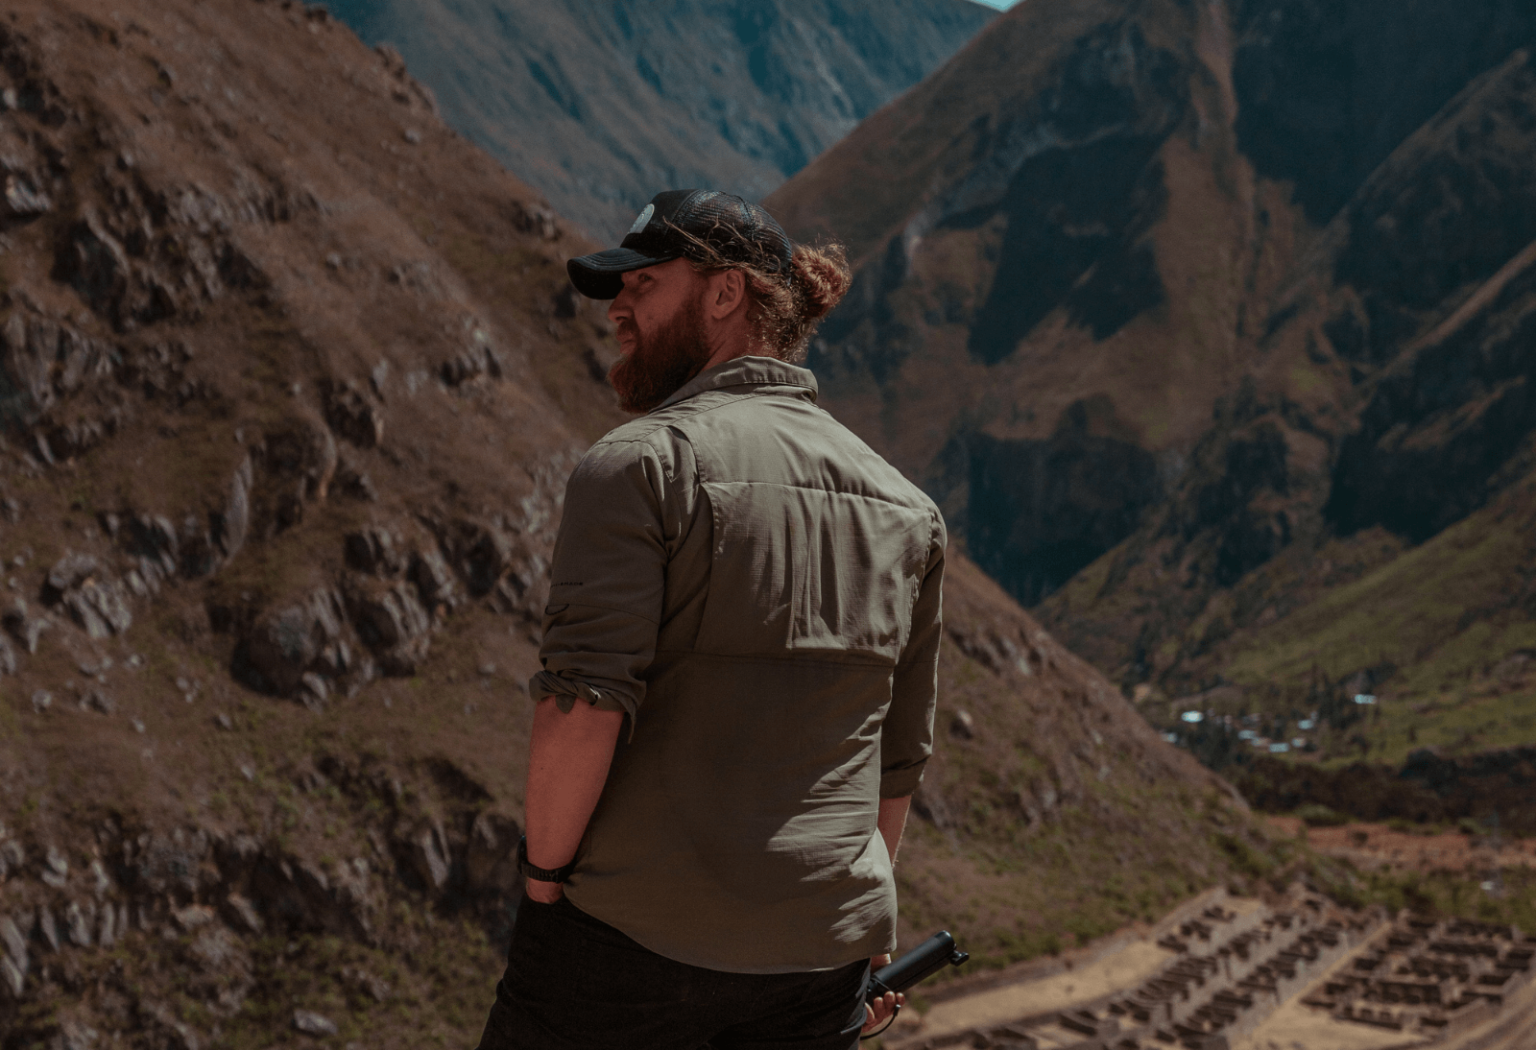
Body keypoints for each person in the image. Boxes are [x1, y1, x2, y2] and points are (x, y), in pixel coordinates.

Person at [475, 189, 946, 1050]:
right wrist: (846, 941)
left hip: (628, 948)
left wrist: (544, 886)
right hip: (817, 967)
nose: (618, 308)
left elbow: (584, 707)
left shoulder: (639, 467)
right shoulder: (906, 510)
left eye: (643, 284)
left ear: (725, 293)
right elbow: (896, 758)